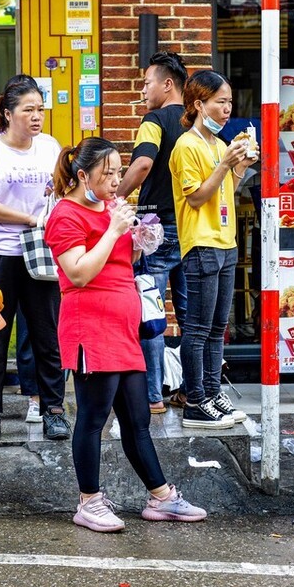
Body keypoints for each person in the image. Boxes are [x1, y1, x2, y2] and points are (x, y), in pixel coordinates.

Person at [46, 136, 207, 531]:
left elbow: (120, 262)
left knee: (137, 416)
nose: (117, 180)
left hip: (122, 326)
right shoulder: (65, 215)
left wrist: (138, 240)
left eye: (119, 172)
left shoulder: (110, 209)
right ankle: (89, 501)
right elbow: (79, 272)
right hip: (89, 325)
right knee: (93, 416)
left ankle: (161, 496)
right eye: (109, 173)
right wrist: (113, 228)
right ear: (83, 175)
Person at [0, 74, 69, 442]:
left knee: (47, 334)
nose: (37, 116)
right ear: (8, 113)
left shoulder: (50, 147)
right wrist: (29, 218)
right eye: (28, 110)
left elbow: (61, 195)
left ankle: (54, 409)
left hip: (41, 253)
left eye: (40, 109)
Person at [168, 69, 258, 428]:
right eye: (220, 102)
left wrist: (239, 168)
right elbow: (197, 199)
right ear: (198, 104)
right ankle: (196, 401)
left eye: (229, 102)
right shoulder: (186, 145)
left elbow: (225, 194)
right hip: (201, 243)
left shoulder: (219, 145)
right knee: (198, 329)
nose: (226, 109)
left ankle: (212, 391)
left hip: (225, 241)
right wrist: (225, 164)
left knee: (219, 325)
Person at [117, 50, 189, 414]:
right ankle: (194, 392)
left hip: (156, 229)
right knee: (193, 317)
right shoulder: (198, 121)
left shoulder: (154, 120)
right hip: (193, 230)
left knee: (151, 311)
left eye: (147, 83)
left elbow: (143, 163)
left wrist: (113, 197)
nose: (143, 90)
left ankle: (153, 396)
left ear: (167, 84)